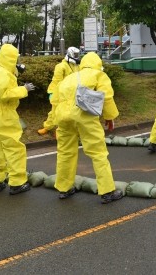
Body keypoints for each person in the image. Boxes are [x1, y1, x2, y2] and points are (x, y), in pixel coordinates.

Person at [52, 52, 123, 204]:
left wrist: (53, 124)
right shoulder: (98, 75)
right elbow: (107, 97)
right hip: (84, 116)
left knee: (65, 153)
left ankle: (64, 189)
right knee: (98, 152)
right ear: (98, 64)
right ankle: (107, 191)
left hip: (63, 118)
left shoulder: (68, 78)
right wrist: (109, 117)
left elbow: (55, 102)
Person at [0, 44, 36, 195]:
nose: (18, 61)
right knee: (15, 149)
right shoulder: (3, 73)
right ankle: (17, 183)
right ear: (11, 58)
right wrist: (23, 89)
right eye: (16, 58)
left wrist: (16, 73)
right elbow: (4, 93)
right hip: (4, 115)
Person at [37, 47, 80, 136]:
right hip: (60, 93)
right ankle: (47, 127)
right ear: (70, 54)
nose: (77, 57)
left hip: (72, 94)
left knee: (68, 113)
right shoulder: (61, 66)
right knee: (55, 111)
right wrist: (52, 93)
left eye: (77, 55)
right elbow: (56, 81)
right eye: (75, 55)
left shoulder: (77, 66)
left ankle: (60, 130)